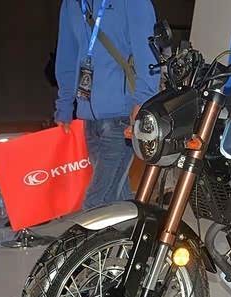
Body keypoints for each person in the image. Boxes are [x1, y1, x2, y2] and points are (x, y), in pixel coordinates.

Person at [54, 0, 160, 209]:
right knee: (116, 198)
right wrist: (64, 105)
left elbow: (147, 53)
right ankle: (132, 229)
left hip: (122, 116)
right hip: (88, 118)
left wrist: (142, 101)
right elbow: (67, 55)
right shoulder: (71, 4)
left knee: (97, 202)